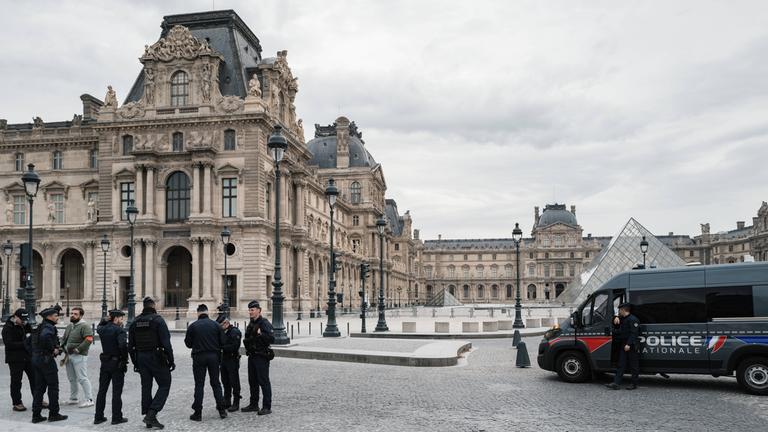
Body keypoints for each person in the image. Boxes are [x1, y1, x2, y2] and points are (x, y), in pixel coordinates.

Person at [128, 296, 174, 429]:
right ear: (153, 306)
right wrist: (171, 360)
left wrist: (135, 363)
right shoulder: (158, 321)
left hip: (141, 357)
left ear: (143, 306)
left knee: (146, 387)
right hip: (157, 357)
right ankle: (152, 414)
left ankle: (148, 417)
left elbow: (130, 346)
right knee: (165, 384)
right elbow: (167, 343)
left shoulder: (135, 322)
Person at [184, 304, 228, 421]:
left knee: (199, 384)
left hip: (199, 357)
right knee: (216, 383)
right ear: (207, 312)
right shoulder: (215, 325)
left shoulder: (193, 326)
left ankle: (197, 413)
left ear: (198, 313)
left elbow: (188, 344)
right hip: (213, 356)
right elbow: (223, 341)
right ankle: (222, 410)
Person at [28, 306, 68, 423]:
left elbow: (28, 342)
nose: (57, 318)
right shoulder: (48, 327)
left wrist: (35, 353)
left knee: (39, 388)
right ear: (49, 317)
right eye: (56, 316)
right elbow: (45, 337)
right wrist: (53, 349)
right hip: (46, 360)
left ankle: (36, 415)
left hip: (36, 360)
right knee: (53, 387)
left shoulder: (39, 327)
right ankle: (54, 414)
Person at [94, 309, 129, 425]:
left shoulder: (102, 330)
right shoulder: (120, 331)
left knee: (102, 390)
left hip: (105, 363)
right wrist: (124, 360)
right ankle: (116, 417)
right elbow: (123, 346)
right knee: (116, 392)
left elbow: (99, 326)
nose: (122, 320)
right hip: (116, 363)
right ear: (116, 318)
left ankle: (98, 417)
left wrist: (104, 320)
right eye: (121, 318)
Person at [242, 301, 274, 415]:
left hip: (261, 356)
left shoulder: (264, 323)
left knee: (263, 381)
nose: (250, 312)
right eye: (250, 310)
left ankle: (266, 406)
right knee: (253, 381)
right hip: (252, 355)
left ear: (259, 310)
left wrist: (261, 334)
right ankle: (254, 404)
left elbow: (271, 338)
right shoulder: (251, 323)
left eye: (253, 310)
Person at [3, 309, 36, 412]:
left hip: (28, 357)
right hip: (15, 358)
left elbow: (33, 337)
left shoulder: (26, 325)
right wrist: (25, 343)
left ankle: (38, 399)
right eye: (21, 319)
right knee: (16, 381)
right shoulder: (8, 328)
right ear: (15, 317)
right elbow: (9, 344)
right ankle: (17, 402)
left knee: (35, 379)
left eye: (25, 319)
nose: (24, 321)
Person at [61, 307, 95, 407]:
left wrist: (78, 349)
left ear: (80, 315)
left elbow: (89, 339)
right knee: (71, 378)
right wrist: (62, 347)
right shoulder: (70, 326)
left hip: (79, 356)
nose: (72, 315)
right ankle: (73, 398)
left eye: (75, 314)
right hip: (68, 355)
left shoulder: (85, 326)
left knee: (82, 378)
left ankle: (89, 399)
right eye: (71, 313)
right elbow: (64, 338)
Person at [606, 302, 641, 390]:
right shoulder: (623, 318)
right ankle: (616, 383)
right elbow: (618, 324)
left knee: (633, 365)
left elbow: (634, 333)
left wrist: (628, 344)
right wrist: (617, 317)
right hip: (624, 344)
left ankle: (634, 384)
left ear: (623, 310)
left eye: (619, 310)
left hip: (631, 345)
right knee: (621, 364)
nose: (618, 312)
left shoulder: (633, 319)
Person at [217, 311, 242, 412]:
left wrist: (221, 348)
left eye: (220, 325)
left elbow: (234, 346)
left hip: (232, 359)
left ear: (226, 323)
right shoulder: (222, 332)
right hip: (224, 360)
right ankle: (227, 401)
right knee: (225, 381)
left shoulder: (234, 332)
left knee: (234, 381)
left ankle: (236, 402)